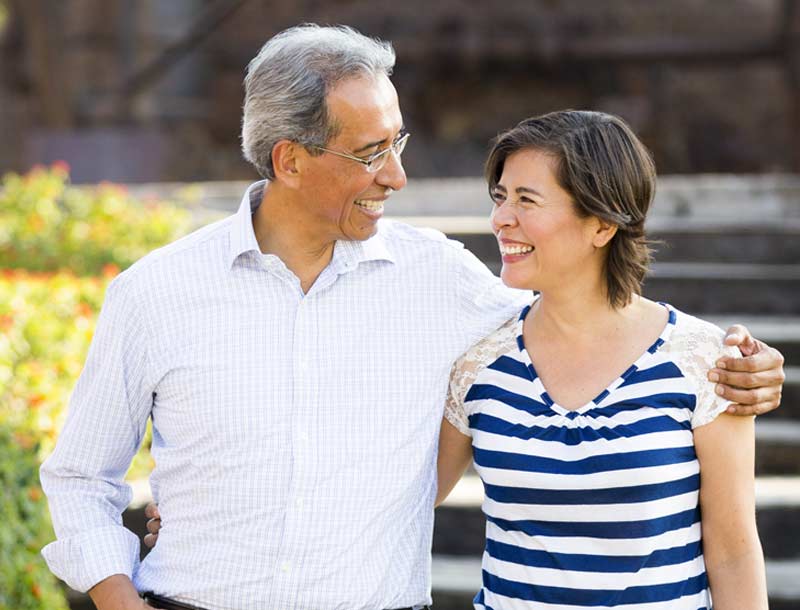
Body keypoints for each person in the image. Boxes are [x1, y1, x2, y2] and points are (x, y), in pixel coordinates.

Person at [40, 25, 783, 610]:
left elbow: (582, 312)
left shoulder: (442, 280)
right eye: (371, 152)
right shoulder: (155, 294)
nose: (398, 175)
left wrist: (738, 365)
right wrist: (120, 598)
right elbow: (79, 477)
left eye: (398, 142)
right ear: (289, 160)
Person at [436, 110, 769, 609]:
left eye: (527, 200)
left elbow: (734, 553)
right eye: (501, 197)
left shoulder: (704, 361)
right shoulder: (477, 364)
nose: (502, 218)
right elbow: (408, 497)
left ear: (602, 223)